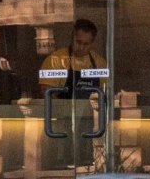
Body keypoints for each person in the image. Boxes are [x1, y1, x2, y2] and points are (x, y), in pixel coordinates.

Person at [40, 20, 107, 163]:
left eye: (86, 44)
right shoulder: (55, 60)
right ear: (72, 38)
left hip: (88, 125)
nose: (81, 47)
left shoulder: (100, 63)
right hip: (62, 124)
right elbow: (46, 92)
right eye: (78, 42)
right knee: (62, 159)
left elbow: (104, 93)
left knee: (86, 161)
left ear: (92, 42)